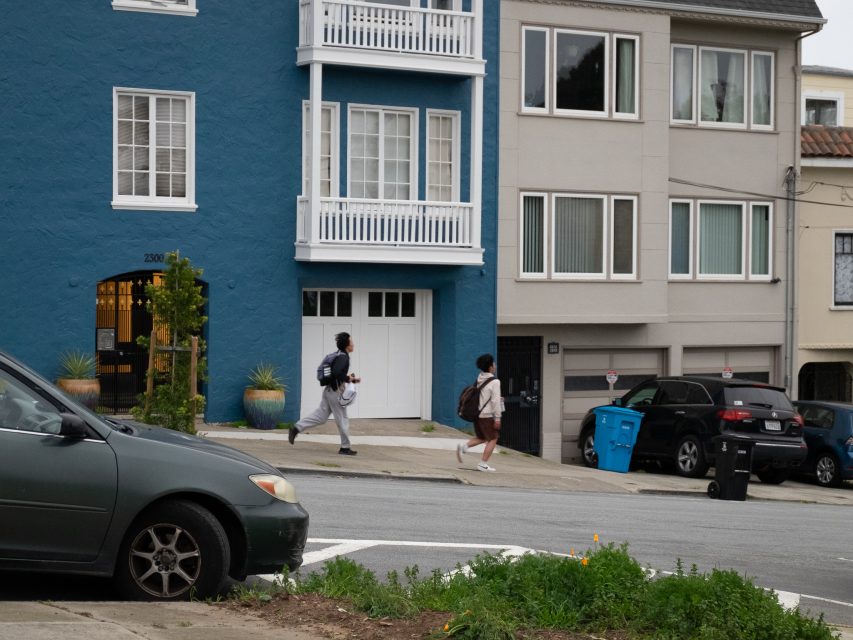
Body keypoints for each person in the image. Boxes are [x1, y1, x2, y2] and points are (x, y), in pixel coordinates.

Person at [289, 332, 361, 455]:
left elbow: (335, 373)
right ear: (347, 345)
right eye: (351, 342)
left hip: (329, 390)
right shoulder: (344, 357)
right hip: (335, 391)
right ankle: (345, 447)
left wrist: (349, 378)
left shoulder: (340, 355)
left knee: (321, 417)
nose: (353, 344)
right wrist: (348, 378)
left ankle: (296, 428)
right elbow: (337, 372)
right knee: (342, 418)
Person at [456, 353, 503, 472]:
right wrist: (497, 418)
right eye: (493, 363)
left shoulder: (480, 377)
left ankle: (463, 447)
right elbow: (495, 401)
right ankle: (483, 464)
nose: (495, 365)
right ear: (490, 367)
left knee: (482, 437)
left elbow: (484, 395)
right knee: (493, 438)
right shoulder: (495, 381)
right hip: (486, 415)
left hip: (477, 414)